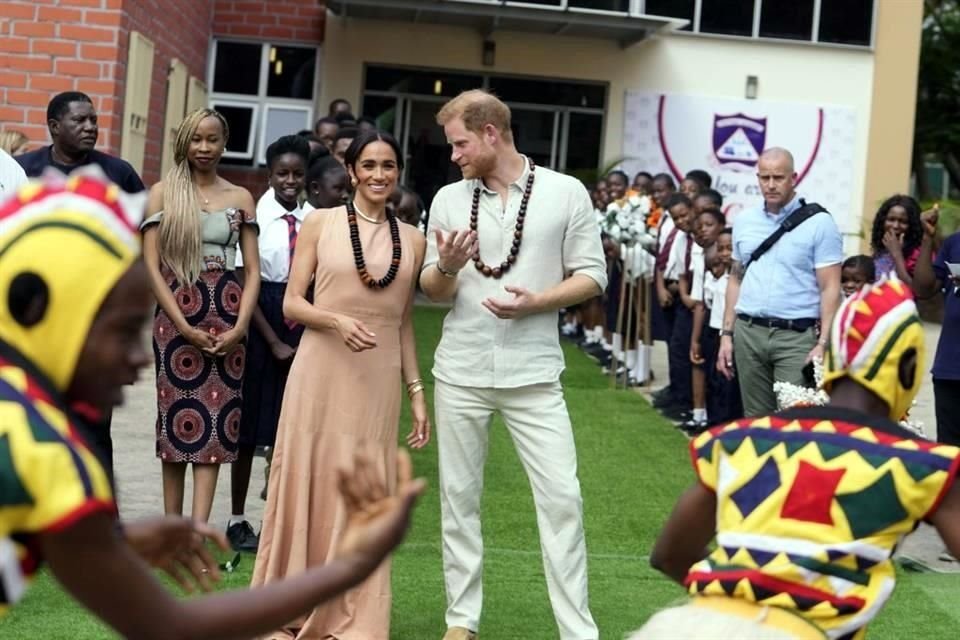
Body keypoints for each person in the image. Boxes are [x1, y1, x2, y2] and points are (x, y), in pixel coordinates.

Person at [0, 168, 427, 637]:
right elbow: (171, 625)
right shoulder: (35, 450)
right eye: (123, 331)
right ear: (37, 311)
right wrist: (352, 565)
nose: (142, 356)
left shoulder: (32, 433)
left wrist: (122, 541)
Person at [629, 278, 960, 640]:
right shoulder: (921, 463)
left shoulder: (743, 439)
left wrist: (745, 594)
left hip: (687, 627)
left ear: (830, 355)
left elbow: (669, 554)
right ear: (909, 367)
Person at [421, 89, 606, 640]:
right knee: (458, 500)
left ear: (490, 134)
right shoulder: (450, 199)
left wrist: (537, 302)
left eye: (459, 143)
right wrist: (448, 266)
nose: (453, 155)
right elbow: (432, 291)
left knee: (563, 499)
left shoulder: (565, 192)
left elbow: (592, 275)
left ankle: (578, 631)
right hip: (461, 369)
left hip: (535, 373)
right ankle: (462, 621)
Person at [252, 129, 430, 639]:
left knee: (363, 489)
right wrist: (334, 322)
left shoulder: (412, 240)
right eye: (368, 165)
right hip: (320, 371)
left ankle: (354, 614)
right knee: (308, 479)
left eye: (388, 166)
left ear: (398, 173)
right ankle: (291, 603)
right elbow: (292, 304)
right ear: (351, 171)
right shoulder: (320, 223)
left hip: (377, 382)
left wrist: (417, 393)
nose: (378, 175)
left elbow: (403, 324)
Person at [141, 108, 261, 524]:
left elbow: (252, 271)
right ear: (184, 143)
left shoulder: (241, 198)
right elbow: (153, 267)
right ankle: (173, 528)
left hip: (228, 315)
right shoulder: (162, 194)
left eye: (212, 139)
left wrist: (241, 326)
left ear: (224, 143)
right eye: (196, 139)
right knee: (176, 422)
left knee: (216, 423)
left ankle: (198, 531)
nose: (204, 148)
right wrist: (184, 327)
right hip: (177, 317)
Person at [225, 135, 310, 553]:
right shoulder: (253, 215)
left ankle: (276, 523)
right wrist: (274, 340)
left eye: (297, 173)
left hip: (303, 316)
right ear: (269, 173)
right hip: (261, 318)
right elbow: (245, 282)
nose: (289, 181)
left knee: (289, 428)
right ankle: (238, 519)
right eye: (282, 173)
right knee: (248, 427)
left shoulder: (316, 219)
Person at [717, 147, 843, 417]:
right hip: (749, 332)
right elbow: (735, 279)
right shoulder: (745, 221)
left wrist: (823, 343)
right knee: (756, 421)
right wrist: (726, 335)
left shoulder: (820, 223)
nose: (771, 185)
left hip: (796, 337)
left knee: (795, 421)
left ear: (793, 178)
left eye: (778, 177)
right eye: (765, 178)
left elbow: (830, 287)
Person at [16, 91, 144, 193]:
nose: (90, 127)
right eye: (79, 120)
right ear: (55, 127)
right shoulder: (21, 169)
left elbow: (144, 221)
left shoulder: (119, 172)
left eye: (93, 120)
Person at [914, 206, 960, 457]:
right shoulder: (955, 243)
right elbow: (924, 288)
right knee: (949, 455)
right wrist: (928, 238)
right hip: (950, 368)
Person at [870, 194, 924, 285]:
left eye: (903, 222)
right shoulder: (879, 253)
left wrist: (897, 254)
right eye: (891, 219)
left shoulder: (919, 254)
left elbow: (916, 291)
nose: (895, 226)